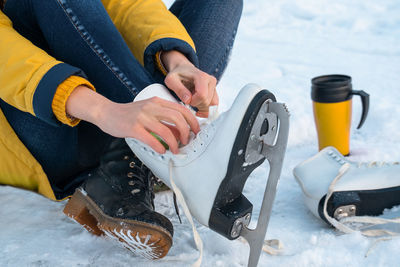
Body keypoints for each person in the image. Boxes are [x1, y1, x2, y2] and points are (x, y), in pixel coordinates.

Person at [0, 0, 243, 259]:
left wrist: (176, 60)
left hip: (111, 96)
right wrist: (104, 111)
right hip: (39, 126)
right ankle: (172, 148)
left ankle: (138, 153)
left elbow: (124, 4)